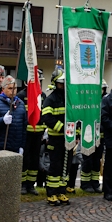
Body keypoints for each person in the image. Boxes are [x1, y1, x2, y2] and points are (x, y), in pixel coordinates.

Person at [41, 71, 71, 206]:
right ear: (55, 83)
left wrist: (74, 133)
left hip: (68, 139)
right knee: (55, 166)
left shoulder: (69, 98)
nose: (63, 86)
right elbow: (46, 118)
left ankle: (61, 191)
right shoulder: (50, 99)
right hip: (55, 139)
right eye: (60, 83)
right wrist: (62, 128)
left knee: (66, 166)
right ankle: (51, 193)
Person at [18, 70, 46, 195]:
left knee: (35, 160)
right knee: (25, 159)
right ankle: (23, 185)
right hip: (25, 134)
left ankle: (31, 184)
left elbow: (44, 114)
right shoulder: (21, 95)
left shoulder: (42, 96)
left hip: (38, 134)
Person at [80, 80, 108, 193]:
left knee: (97, 161)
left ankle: (95, 183)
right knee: (87, 160)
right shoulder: (88, 101)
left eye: (102, 89)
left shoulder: (105, 102)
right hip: (88, 135)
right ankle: (85, 184)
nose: (100, 91)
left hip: (100, 137)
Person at [0, 75, 27, 153]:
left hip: (16, 146)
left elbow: (24, 127)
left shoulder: (20, 104)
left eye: (15, 88)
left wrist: (22, 146)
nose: (13, 91)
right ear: (3, 89)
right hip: (1, 146)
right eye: (10, 88)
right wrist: (2, 120)